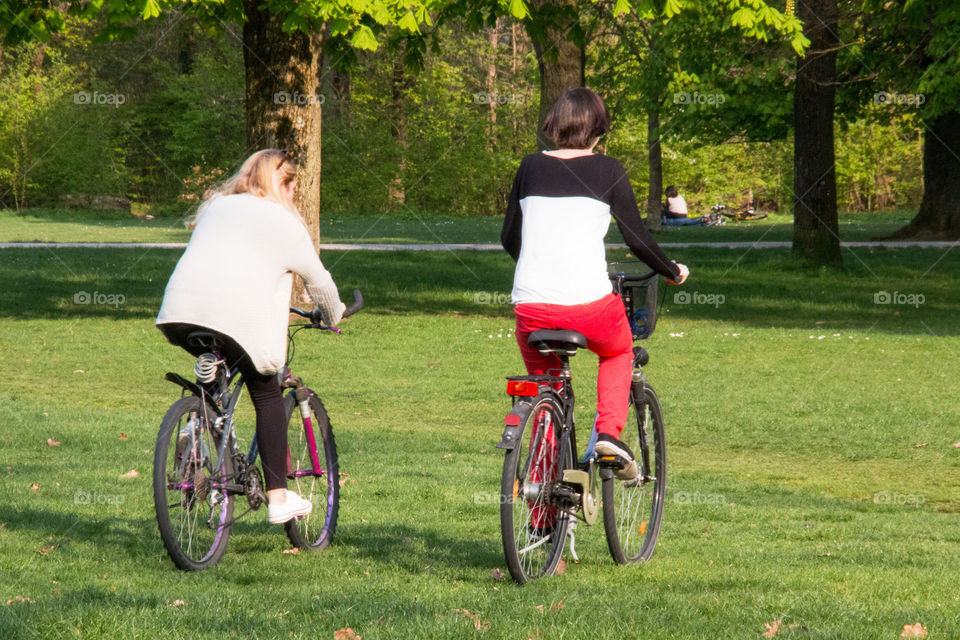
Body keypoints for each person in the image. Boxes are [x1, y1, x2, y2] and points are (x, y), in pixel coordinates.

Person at [501, 87, 689, 481]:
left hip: (531, 306)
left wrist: (538, 266)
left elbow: (509, 238)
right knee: (619, 350)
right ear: (598, 130)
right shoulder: (609, 169)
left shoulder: (530, 166)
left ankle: (540, 521)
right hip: (588, 305)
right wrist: (671, 270)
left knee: (545, 396)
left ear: (554, 126)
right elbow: (637, 240)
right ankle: (608, 435)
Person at [156, 149, 347, 524]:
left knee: (216, 372)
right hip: (234, 321)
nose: (294, 197)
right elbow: (320, 281)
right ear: (285, 185)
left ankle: (196, 430)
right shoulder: (283, 220)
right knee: (266, 392)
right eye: (293, 188)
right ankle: (278, 499)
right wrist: (335, 312)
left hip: (180, 314)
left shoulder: (218, 205)